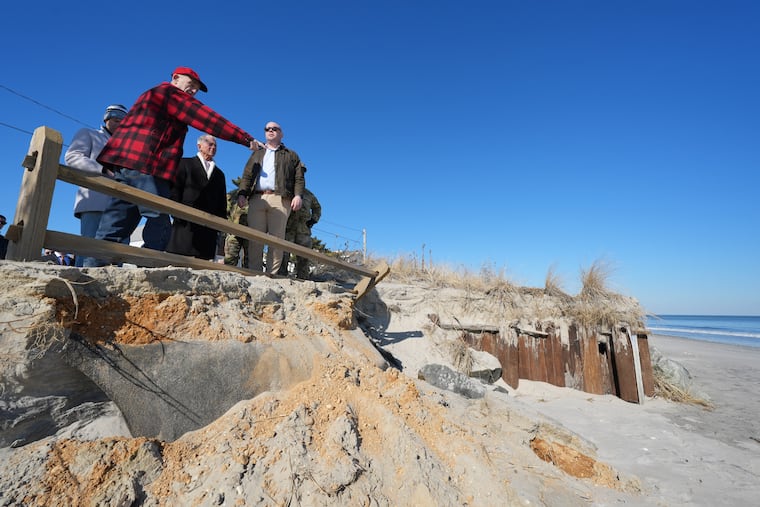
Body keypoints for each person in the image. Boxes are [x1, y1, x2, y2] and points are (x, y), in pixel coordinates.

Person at [84, 66, 262, 267]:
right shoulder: (170, 94)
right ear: (176, 78)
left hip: (126, 165)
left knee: (114, 225)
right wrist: (245, 138)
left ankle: (91, 275)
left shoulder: (150, 95)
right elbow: (205, 117)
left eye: (196, 88)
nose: (193, 91)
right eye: (191, 84)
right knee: (159, 222)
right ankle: (150, 272)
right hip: (146, 166)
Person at [65, 104, 128, 267]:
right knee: (90, 251)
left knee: (117, 254)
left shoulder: (127, 146)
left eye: (123, 121)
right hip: (95, 200)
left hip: (122, 205)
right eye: (115, 119)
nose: (119, 123)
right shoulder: (89, 134)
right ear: (106, 119)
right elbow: (73, 157)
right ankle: (83, 287)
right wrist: (103, 170)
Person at [237, 122, 305, 274]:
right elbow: (247, 175)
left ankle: (270, 275)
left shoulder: (291, 155)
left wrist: (298, 195)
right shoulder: (257, 153)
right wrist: (242, 194)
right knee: (255, 238)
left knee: (276, 240)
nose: (270, 131)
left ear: (281, 134)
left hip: (280, 199)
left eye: (275, 129)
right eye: (267, 129)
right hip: (257, 199)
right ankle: (254, 273)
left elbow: (299, 177)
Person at [165, 135, 227, 260]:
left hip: (208, 226)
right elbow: (175, 190)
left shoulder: (219, 174)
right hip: (185, 222)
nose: (213, 147)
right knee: (179, 261)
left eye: (215, 145)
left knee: (202, 264)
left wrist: (220, 223)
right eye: (209, 143)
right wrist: (176, 213)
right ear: (199, 146)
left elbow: (222, 202)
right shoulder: (184, 163)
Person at [277, 187, 321, 279]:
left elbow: (317, 207)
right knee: (283, 254)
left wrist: (313, 219)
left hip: (303, 229)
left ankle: (303, 278)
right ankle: (280, 277)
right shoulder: (287, 190)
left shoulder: (308, 194)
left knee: (304, 256)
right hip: (288, 228)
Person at [223, 188, 250, 267]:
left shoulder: (257, 197)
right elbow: (225, 208)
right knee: (229, 261)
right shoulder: (234, 194)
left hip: (251, 234)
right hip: (234, 232)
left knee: (250, 264)